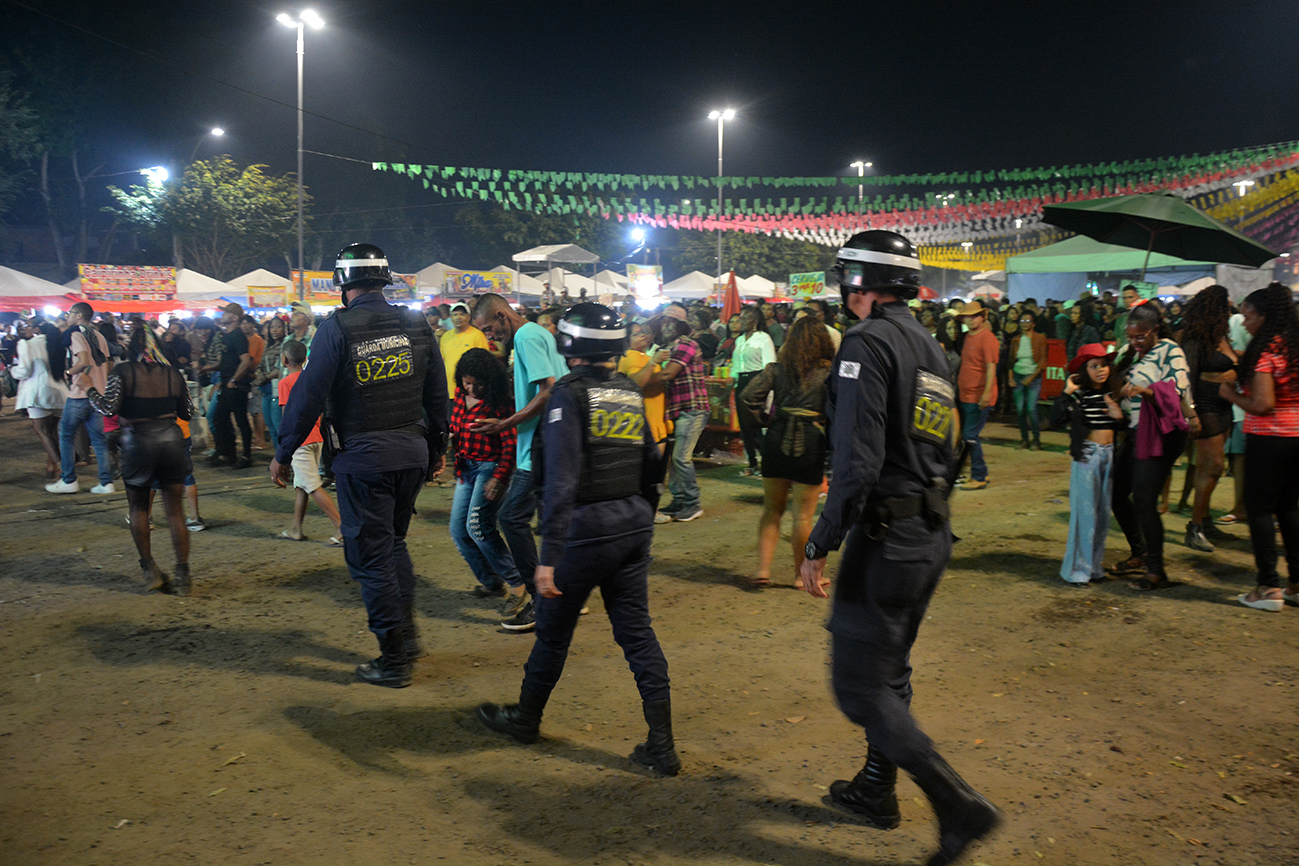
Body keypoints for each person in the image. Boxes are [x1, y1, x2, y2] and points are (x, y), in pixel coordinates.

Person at [799, 231, 1000, 865]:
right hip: (928, 531)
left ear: (858, 280)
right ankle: (876, 787)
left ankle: (958, 806)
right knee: (892, 671)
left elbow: (856, 465)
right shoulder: (929, 348)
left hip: (889, 535)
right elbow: (944, 449)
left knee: (859, 689)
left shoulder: (866, 342)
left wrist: (819, 542)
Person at [477, 303, 677, 776]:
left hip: (584, 534)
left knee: (552, 634)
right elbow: (653, 460)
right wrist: (640, 518)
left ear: (570, 344)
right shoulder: (629, 390)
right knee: (638, 636)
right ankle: (662, 746)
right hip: (631, 527)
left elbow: (562, 480)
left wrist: (547, 558)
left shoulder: (568, 395)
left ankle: (526, 719)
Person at [272, 243, 448, 687]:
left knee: (371, 559)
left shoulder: (337, 329)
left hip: (364, 459)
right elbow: (436, 393)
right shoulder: (416, 324)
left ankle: (393, 662)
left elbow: (308, 396)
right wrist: (439, 446)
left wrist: (282, 450)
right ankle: (406, 641)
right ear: (384, 280)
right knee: (394, 546)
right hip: (412, 453)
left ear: (342, 283)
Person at [470, 292, 568, 632]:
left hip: (539, 443)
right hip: (545, 441)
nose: (489, 336)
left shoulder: (527, 336)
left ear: (500, 314)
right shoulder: (534, 335)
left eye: (488, 328)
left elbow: (549, 390)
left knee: (512, 519)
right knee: (550, 521)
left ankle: (543, 606)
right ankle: (558, 597)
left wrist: (504, 424)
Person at [83, 328, 193, 595]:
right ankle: (183, 574)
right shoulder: (173, 374)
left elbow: (108, 407)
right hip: (171, 441)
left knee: (139, 508)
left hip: (138, 443)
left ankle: (150, 570)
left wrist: (89, 390)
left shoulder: (123, 372)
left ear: (132, 347)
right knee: (175, 510)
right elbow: (187, 412)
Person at [1220, 283, 1299, 612]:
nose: (1244, 320)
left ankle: (1268, 587)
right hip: (1296, 437)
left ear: (1265, 316)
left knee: (1261, 511)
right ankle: (1295, 584)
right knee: (1290, 509)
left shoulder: (1268, 351)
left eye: (1248, 315)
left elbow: (1264, 403)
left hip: (1270, 438)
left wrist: (1231, 395)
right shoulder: (1293, 346)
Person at [739, 317, 835, 588]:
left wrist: (765, 421)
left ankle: (763, 570)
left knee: (772, 510)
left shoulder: (776, 369)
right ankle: (800, 576)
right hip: (810, 441)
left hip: (777, 438)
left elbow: (747, 397)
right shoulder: (829, 373)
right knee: (803, 516)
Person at [1108, 303, 1196, 590]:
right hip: (1135, 431)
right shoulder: (1129, 353)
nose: (1134, 342)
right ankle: (1141, 553)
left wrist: (1146, 391)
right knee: (1117, 493)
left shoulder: (1170, 350)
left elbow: (1178, 388)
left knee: (1145, 498)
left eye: (1140, 337)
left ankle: (1157, 571)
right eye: (1129, 336)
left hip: (1161, 434)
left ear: (1155, 330)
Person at [448, 347, 521, 599]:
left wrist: (500, 476)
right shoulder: (459, 394)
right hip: (465, 468)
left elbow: (511, 442)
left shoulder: (499, 402)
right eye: (467, 383)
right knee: (459, 531)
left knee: (478, 526)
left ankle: (518, 584)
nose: (471, 389)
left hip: (489, 468)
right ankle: (491, 581)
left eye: (478, 384)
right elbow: (455, 426)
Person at [1051, 344, 1126, 585]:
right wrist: (1067, 391)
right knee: (1085, 515)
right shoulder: (1080, 394)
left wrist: (1119, 418)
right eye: (1094, 366)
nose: (1100, 370)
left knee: (1102, 516)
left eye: (1103, 365)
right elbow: (1056, 418)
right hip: (1087, 455)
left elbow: (1122, 427)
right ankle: (1077, 572)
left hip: (1109, 455)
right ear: (1085, 369)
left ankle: (1094, 569)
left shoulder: (1113, 393)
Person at [276, 339, 342, 545]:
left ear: (284, 360)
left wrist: (284, 446)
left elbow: (288, 416)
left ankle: (342, 529)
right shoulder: (311, 379)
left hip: (299, 441)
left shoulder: (285, 383)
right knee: (302, 486)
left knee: (313, 486)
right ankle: (296, 528)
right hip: (316, 438)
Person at [46, 302, 115, 495]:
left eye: (70, 313)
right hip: (98, 394)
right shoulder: (99, 335)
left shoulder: (76, 334)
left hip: (80, 394)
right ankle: (106, 482)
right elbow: (108, 366)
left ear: (78, 316)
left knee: (66, 435)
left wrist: (69, 371)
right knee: (99, 441)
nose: (67, 316)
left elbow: (83, 361)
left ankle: (69, 480)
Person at [651, 312, 710, 523]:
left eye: (671, 323)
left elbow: (668, 374)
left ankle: (693, 503)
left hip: (692, 408)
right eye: (663, 322)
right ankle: (679, 500)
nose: (666, 326)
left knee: (680, 458)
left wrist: (638, 381)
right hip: (678, 409)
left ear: (680, 326)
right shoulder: (665, 348)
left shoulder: (686, 344)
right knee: (675, 460)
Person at [12, 319, 67, 479]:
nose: (25, 329)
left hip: (38, 392)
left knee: (43, 431)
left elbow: (24, 370)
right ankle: (52, 464)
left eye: (28, 326)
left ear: (36, 329)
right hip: (59, 391)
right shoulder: (57, 343)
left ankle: (62, 467)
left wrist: (13, 372)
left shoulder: (27, 344)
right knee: (53, 431)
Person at [956, 300, 999, 490]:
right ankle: (981, 472)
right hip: (967, 394)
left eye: (975, 316)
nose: (972, 319)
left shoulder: (987, 338)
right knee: (970, 435)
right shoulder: (967, 337)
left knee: (970, 435)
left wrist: (987, 393)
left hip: (978, 395)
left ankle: (979, 475)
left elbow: (991, 367)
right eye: (969, 316)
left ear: (982, 317)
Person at [731, 306, 777, 477]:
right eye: (740, 318)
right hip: (741, 382)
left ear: (755, 321)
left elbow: (769, 366)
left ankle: (768, 463)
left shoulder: (764, 339)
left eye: (745, 318)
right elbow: (736, 366)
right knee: (744, 426)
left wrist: (767, 391)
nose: (741, 322)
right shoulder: (740, 340)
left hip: (757, 382)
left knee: (757, 425)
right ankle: (752, 463)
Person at [209, 304, 255, 469]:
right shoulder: (226, 336)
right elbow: (224, 362)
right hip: (227, 384)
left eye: (227, 312)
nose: (223, 315)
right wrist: (206, 368)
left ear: (234, 317)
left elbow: (245, 360)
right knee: (219, 419)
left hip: (236, 387)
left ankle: (246, 456)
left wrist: (234, 380)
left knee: (241, 421)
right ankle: (227, 453)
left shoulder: (237, 336)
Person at [617, 320, 670, 453]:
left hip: (654, 419)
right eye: (636, 334)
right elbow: (636, 384)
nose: (642, 336)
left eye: (642, 332)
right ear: (626, 340)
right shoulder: (630, 356)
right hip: (646, 422)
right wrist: (653, 362)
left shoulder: (641, 356)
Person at [1009, 310, 1046, 450]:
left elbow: (1042, 361)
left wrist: (1032, 377)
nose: (1025, 324)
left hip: (1034, 378)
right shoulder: (1015, 340)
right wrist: (1010, 378)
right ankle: (1024, 439)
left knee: (1031, 409)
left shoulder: (1040, 339)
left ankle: (1036, 440)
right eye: (1022, 321)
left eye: (1028, 321)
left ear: (1033, 323)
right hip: (1018, 376)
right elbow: (1010, 361)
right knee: (1020, 410)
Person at [439, 301, 489, 400]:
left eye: (462, 314)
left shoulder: (477, 335)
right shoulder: (445, 336)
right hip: (449, 390)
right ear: (451, 318)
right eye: (455, 315)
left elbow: (484, 362)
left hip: (470, 391)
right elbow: (442, 361)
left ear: (469, 317)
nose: (459, 317)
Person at [254, 316, 287, 450]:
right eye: (272, 327)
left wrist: (265, 376)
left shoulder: (285, 345)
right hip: (266, 388)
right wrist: (260, 374)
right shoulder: (268, 346)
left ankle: (285, 459)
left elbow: (281, 368)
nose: (274, 330)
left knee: (278, 425)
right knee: (271, 426)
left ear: (284, 329)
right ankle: (278, 456)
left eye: (278, 327)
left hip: (277, 388)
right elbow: (260, 365)